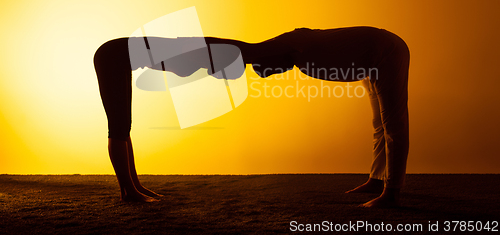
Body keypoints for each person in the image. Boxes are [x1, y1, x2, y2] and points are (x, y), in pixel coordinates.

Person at [94, 26, 410, 207]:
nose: (267, 76)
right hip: (112, 58)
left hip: (384, 51)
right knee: (377, 124)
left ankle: (389, 190)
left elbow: (247, 53)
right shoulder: (283, 51)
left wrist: (206, 62)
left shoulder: (290, 47)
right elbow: (243, 55)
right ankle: (376, 178)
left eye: (266, 72)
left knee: (391, 121)